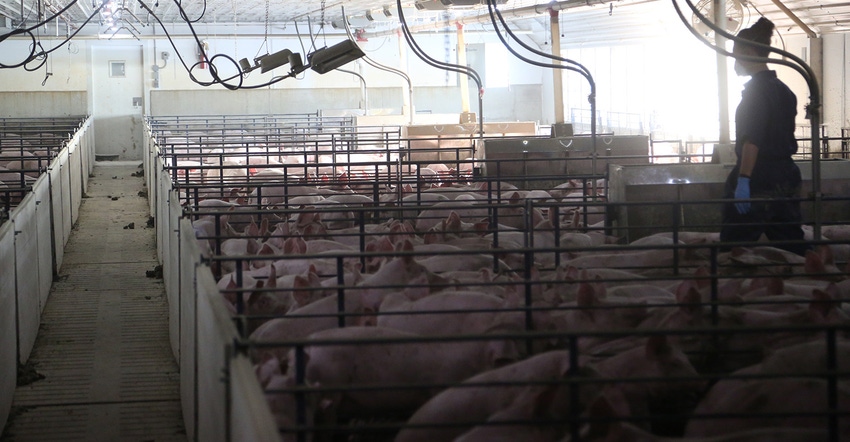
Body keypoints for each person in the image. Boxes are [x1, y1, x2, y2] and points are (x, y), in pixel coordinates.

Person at [719, 17, 808, 256]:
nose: (735, 61)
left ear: (749, 51)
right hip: (786, 176)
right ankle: (810, 284)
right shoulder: (785, 91)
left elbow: (753, 140)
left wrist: (744, 180)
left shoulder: (754, 94)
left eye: (737, 54)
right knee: (791, 243)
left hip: (758, 177)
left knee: (733, 246)